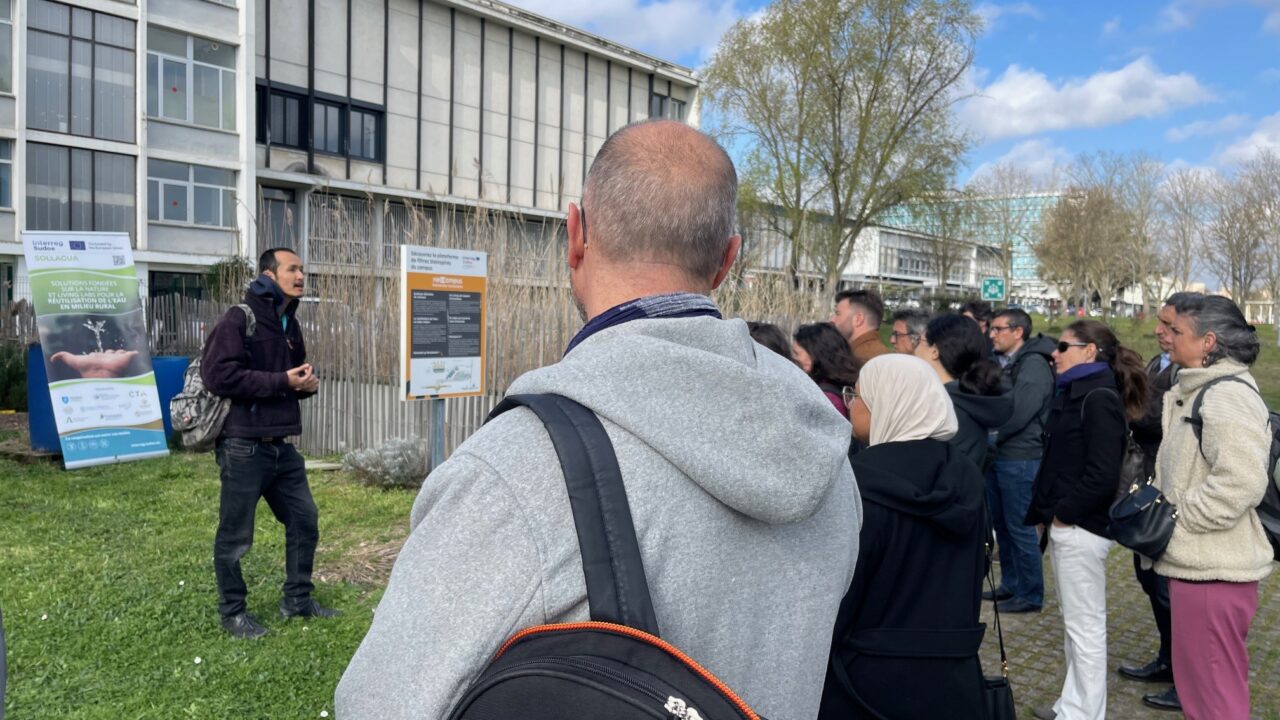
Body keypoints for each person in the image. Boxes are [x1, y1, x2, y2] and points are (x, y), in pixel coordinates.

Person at [336, 120, 862, 720]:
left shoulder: (519, 469)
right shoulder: (822, 451)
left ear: (575, 235)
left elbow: (378, 704)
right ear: (726, 260)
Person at [819, 354, 986, 720]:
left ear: (886, 403)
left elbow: (840, 592)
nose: (850, 405)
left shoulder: (856, 483)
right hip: (953, 674)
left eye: (856, 395)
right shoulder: (966, 473)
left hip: (863, 681)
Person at [200, 247, 331, 640]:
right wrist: (282, 381)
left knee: (304, 520)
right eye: (292, 269)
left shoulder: (289, 322)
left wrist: (305, 384)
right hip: (243, 445)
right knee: (236, 536)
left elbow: (289, 377)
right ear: (269, 275)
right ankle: (233, 612)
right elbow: (217, 376)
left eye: (303, 270)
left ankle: (297, 600)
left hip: (281, 445)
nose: (301, 276)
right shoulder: (239, 318)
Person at [1154, 294, 1272, 720]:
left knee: (1214, 700)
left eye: (1176, 330)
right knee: (1203, 693)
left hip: (1213, 571)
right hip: (1201, 567)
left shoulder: (1225, 396)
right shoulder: (1199, 389)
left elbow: (1241, 483)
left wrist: (1177, 520)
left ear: (1208, 342)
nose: (1163, 334)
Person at [1025, 320, 1149, 720]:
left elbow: (1102, 474)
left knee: (1085, 627)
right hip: (1069, 523)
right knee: (1074, 624)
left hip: (1082, 526)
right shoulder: (1078, 392)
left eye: (1063, 347)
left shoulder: (1098, 397)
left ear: (1090, 351)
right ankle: (1072, 704)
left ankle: (1084, 713)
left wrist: (1064, 515)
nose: (1054, 354)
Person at [1119, 294, 1194, 712]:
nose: (1159, 331)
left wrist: (1118, 406)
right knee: (1149, 580)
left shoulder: (1191, 374)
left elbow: (1156, 419)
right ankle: (1167, 660)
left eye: (1168, 326)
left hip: (1169, 493)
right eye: (1160, 324)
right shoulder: (1157, 363)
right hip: (1145, 487)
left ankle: (1187, 679)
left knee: (1170, 590)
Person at [985, 308, 1055, 613]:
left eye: (998, 329)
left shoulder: (1034, 364)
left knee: (1021, 527)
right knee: (1003, 525)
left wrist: (992, 435)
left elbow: (1021, 411)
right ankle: (1011, 584)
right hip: (1000, 454)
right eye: (991, 328)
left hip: (1021, 457)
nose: (992, 335)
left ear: (1018, 332)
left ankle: (1030, 593)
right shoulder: (1004, 361)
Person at [915, 314, 1012, 471]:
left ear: (934, 351)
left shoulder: (942, 406)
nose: (915, 349)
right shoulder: (969, 399)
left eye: (919, 341)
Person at [794, 322, 861, 419]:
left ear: (814, 354)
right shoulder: (848, 388)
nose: (794, 359)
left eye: (797, 353)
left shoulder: (825, 398)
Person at [831, 289, 890, 368]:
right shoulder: (885, 354)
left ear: (858, 319)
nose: (832, 320)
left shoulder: (858, 360)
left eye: (838, 314)